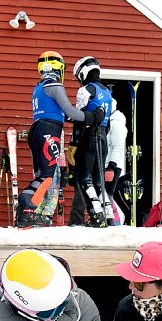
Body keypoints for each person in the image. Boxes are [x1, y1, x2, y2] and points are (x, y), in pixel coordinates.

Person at [18, 51, 103, 228]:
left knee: (41, 174)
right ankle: (26, 209)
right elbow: (70, 111)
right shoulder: (54, 85)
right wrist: (92, 117)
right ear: (59, 68)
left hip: (38, 129)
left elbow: (62, 114)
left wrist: (82, 118)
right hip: (48, 131)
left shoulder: (39, 87)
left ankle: (33, 212)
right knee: (47, 176)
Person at [71, 56, 113, 228]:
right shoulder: (108, 93)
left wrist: (74, 144)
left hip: (88, 135)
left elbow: (78, 118)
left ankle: (96, 215)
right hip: (103, 137)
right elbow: (108, 123)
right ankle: (108, 216)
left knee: (84, 177)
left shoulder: (86, 90)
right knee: (98, 180)